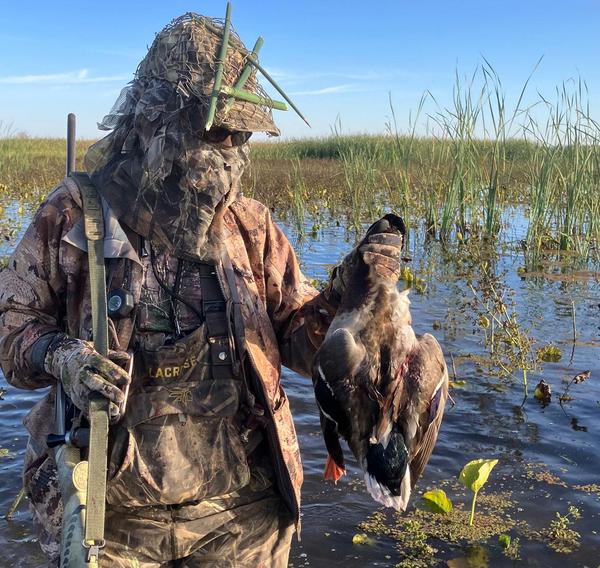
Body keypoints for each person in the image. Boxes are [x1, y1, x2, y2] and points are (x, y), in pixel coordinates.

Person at [0, 11, 403, 567]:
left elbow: (303, 341)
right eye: (218, 131)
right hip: (112, 522)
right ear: (156, 121)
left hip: (242, 516)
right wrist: (62, 355)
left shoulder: (251, 226)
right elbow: (12, 326)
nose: (234, 148)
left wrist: (350, 298)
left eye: (243, 134)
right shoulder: (77, 215)